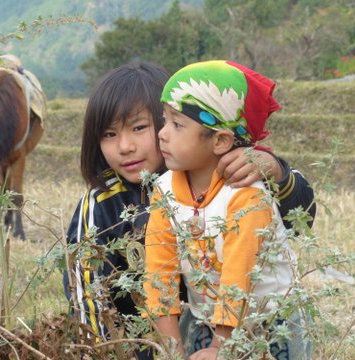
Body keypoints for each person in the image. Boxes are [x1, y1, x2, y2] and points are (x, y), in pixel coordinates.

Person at [63, 62, 314, 359]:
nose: (125, 146)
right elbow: (89, 297)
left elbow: (301, 220)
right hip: (158, 339)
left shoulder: (241, 174)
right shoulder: (103, 204)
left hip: (250, 325)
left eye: (140, 127)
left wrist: (276, 171)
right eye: (108, 134)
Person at [143, 60, 312, 359]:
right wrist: (171, 349)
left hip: (270, 324)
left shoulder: (246, 196)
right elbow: (160, 273)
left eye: (177, 124)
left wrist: (221, 350)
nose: (162, 133)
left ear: (221, 140)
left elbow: (239, 277)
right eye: (164, 120)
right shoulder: (165, 190)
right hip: (205, 320)